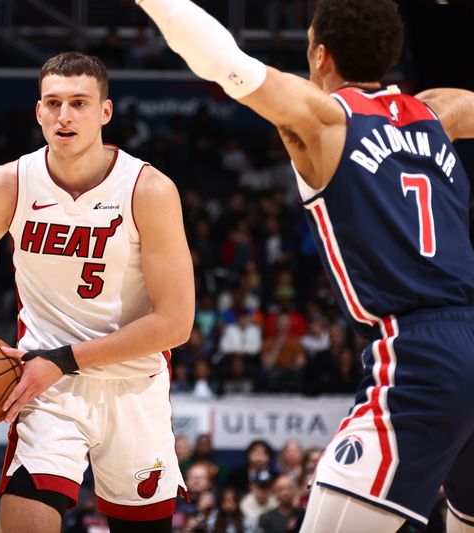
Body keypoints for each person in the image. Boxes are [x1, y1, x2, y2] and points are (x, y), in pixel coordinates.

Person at [138, 0, 474, 531]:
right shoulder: (440, 113)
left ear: (320, 54)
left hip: (419, 355)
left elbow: (219, 58)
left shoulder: (324, 120)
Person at [0, 51, 194, 533]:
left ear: (105, 112)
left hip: (133, 385)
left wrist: (66, 358)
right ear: (38, 111)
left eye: (79, 103)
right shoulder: (6, 183)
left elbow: (175, 324)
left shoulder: (148, 190)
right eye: (53, 103)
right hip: (43, 385)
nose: (64, 116)